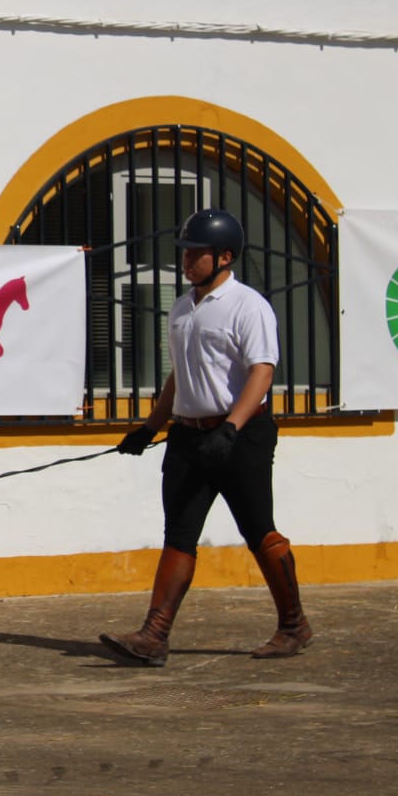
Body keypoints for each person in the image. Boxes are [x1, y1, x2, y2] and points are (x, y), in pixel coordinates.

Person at [103, 208, 312, 667]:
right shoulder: (182, 308)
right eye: (185, 252)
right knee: (179, 533)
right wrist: (150, 426)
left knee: (258, 530)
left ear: (224, 257)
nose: (187, 260)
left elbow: (262, 372)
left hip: (241, 435)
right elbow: (180, 374)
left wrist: (233, 426)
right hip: (188, 437)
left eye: (196, 253)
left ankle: (294, 626)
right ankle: (153, 636)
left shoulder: (248, 306)